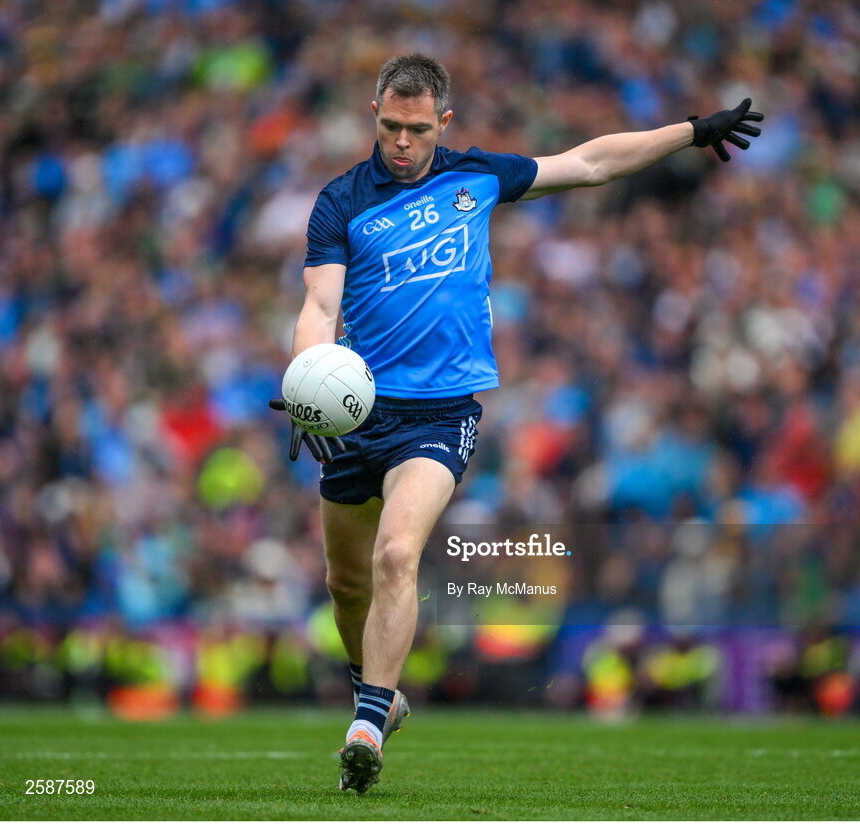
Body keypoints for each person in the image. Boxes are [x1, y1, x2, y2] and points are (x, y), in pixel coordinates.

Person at [269, 54, 762, 793]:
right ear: (374, 114)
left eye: (415, 128)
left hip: (439, 416)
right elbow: (317, 306)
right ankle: (381, 693)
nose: (400, 141)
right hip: (357, 415)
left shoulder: (477, 176)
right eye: (388, 126)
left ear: (444, 121)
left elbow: (591, 162)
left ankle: (366, 724)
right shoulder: (340, 203)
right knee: (346, 585)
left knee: (398, 555)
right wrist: (308, 384)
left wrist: (691, 132)